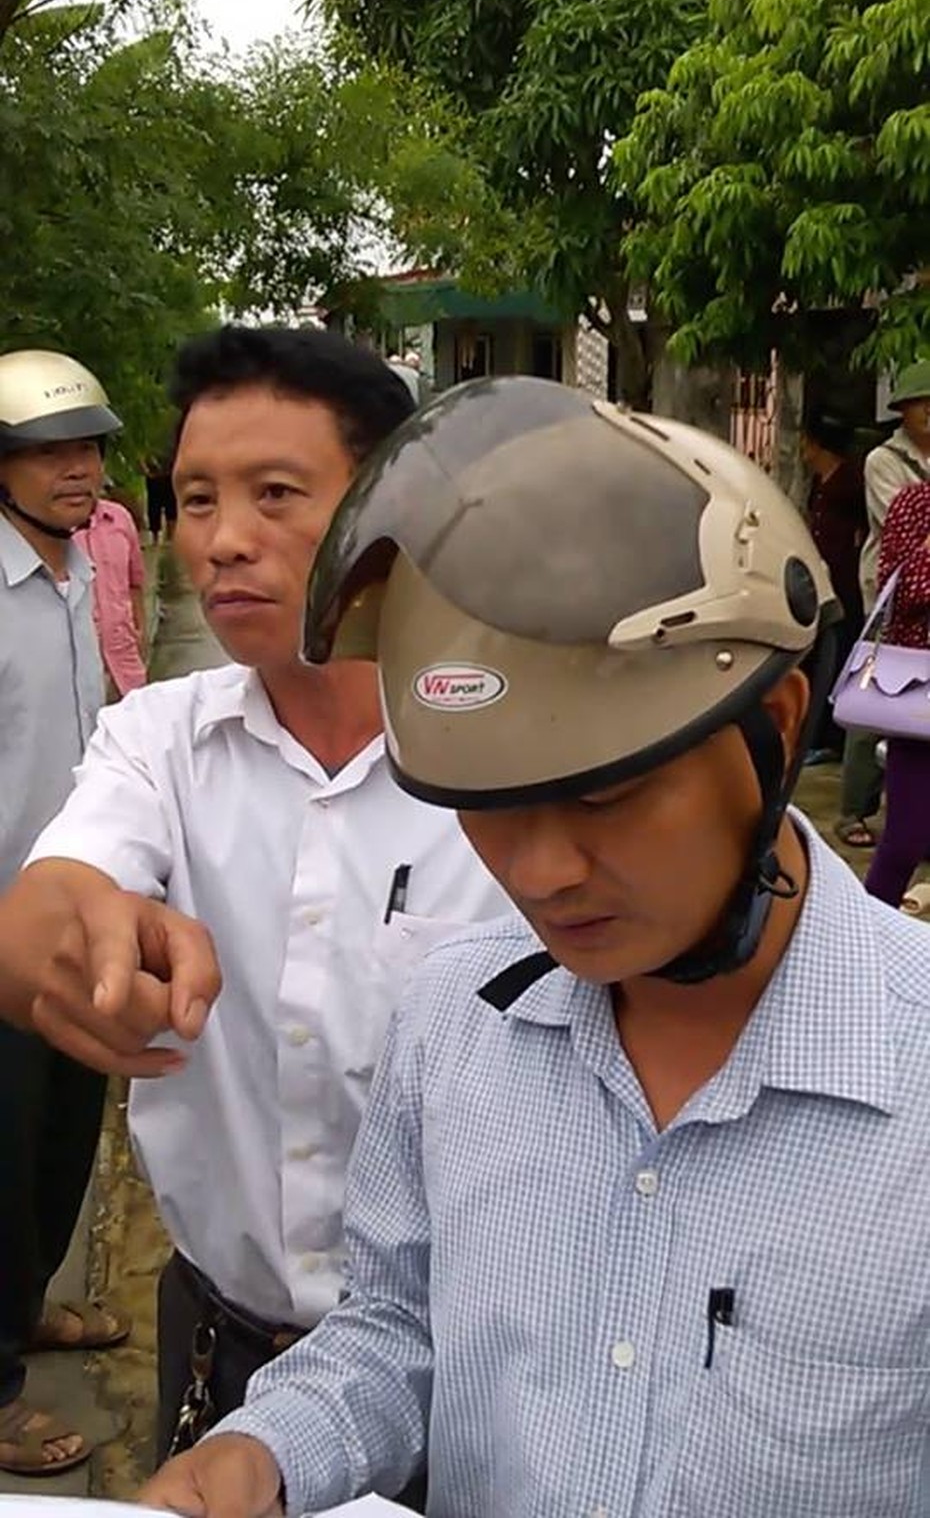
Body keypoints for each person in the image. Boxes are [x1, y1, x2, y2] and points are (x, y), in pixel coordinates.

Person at [141, 378, 930, 1518]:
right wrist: (263, 1452)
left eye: (607, 796)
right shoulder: (454, 1019)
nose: (541, 873)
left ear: (778, 727)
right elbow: (397, 1329)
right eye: (488, 805)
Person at [14, 325, 514, 1467]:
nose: (224, 541)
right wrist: (69, 943)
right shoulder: (159, 744)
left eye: (277, 493)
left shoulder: (516, 769)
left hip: (480, 1371)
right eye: (195, 500)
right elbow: (55, 899)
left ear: (393, 508)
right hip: (220, 1346)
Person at [0, 349, 129, 1476]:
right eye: (48, 453)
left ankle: (30, 1302)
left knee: (62, 1143)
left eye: (86, 448)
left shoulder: (81, 570)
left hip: (75, 917)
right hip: (2, 934)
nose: (76, 470)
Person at [838, 360, 930, 847]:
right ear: (905, 410)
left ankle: (914, 815)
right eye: (923, 405)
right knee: (875, 696)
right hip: (892, 596)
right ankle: (854, 808)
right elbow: (902, 523)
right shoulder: (884, 461)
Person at [864, 479, 930, 907]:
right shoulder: (916, 502)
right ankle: (867, 935)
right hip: (919, 694)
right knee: (905, 839)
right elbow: (900, 588)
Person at [799, 414, 866, 762]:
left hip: (847, 584)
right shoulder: (819, 483)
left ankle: (832, 738)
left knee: (842, 656)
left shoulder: (852, 481)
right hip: (821, 581)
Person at [75, 494, 148, 697]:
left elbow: (135, 580)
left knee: (138, 717)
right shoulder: (51, 529)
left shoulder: (119, 517)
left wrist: (140, 627)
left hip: (123, 646)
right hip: (78, 653)